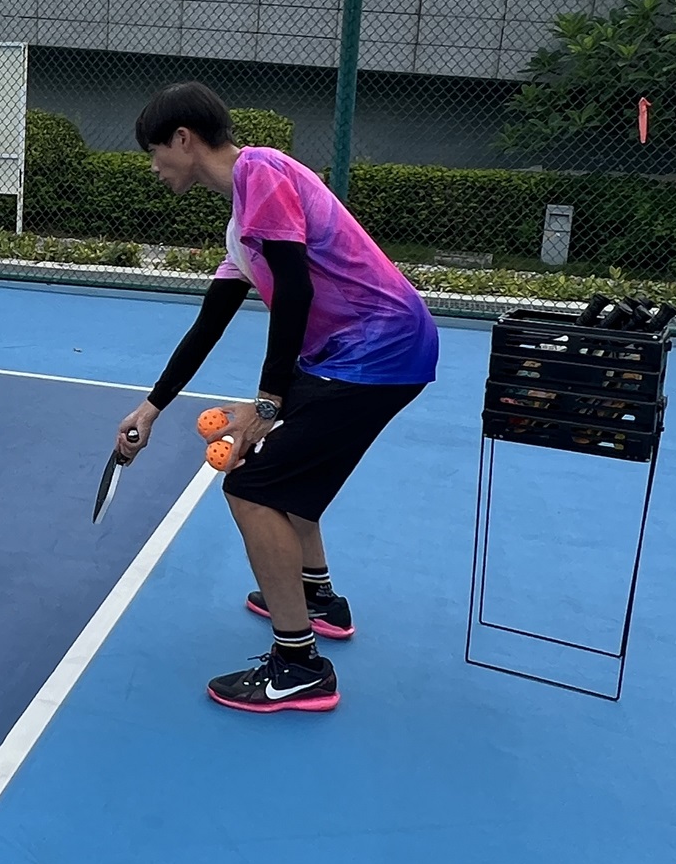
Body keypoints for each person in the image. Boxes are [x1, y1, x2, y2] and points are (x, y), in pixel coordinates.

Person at [114, 82, 437, 713]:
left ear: (183, 139)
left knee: (253, 488)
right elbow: (209, 323)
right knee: (281, 472)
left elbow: (294, 289)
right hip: (352, 355)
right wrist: (151, 409)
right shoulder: (243, 222)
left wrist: (267, 403)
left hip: (378, 351)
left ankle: (299, 666)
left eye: (154, 152)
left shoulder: (259, 170)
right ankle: (317, 598)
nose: (153, 167)